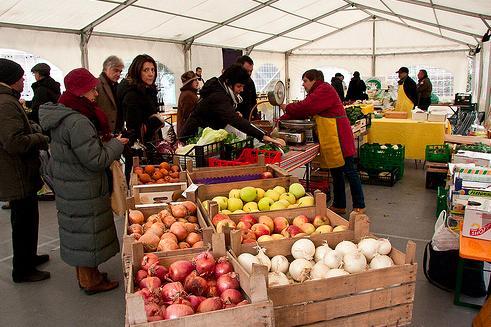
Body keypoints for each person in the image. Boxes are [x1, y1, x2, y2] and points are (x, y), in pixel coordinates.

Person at [39, 68, 127, 294]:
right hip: (84, 185)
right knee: (88, 232)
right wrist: (117, 145)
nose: (95, 94)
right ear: (80, 93)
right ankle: (91, 281)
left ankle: (89, 275)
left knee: (79, 231)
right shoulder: (77, 122)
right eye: (91, 90)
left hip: (71, 183)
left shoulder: (63, 114)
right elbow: (95, 160)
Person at [279, 69, 365, 215]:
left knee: (349, 170)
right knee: (336, 170)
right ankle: (339, 204)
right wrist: (282, 119)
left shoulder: (324, 89)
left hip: (339, 135)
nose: (303, 84)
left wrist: (288, 107)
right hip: (332, 136)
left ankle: (359, 205)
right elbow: (306, 108)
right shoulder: (317, 91)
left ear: (314, 80)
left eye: (305, 80)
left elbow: (307, 107)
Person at [0, 58, 50, 283]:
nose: (24, 80)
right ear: (10, 80)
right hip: (16, 172)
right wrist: (40, 137)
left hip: (20, 171)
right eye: (20, 77)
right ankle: (22, 269)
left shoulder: (8, 101)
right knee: (22, 221)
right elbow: (14, 142)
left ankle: (29, 257)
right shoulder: (5, 103)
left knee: (28, 218)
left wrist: (32, 128)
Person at [179, 64, 285, 147]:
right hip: (193, 139)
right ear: (228, 82)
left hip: (202, 138)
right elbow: (233, 119)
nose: (241, 90)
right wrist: (262, 135)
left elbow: (221, 113)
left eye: (242, 86)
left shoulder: (221, 89)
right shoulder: (218, 95)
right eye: (239, 86)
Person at [117, 54, 159, 181]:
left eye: (152, 70)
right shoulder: (132, 95)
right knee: (139, 181)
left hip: (146, 145)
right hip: (137, 149)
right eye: (146, 70)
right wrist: (154, 122)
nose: (151, 74)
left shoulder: (147, 90)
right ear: (137, 71)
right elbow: (133, 128)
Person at [96, 55, 124, 132]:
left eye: (120, 71)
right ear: (106, 68)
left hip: (118, 131)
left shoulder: (116, 86)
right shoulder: (97, 85)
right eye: (116, 70)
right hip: (104, 132)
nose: (118, 74)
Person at [235, 55, 259, 121]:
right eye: (246, 71)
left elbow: (253, 101)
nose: (249, 74)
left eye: (251, 71)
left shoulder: (250, 82)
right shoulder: (230, 81)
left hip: (247, 119)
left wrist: (255, 117)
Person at [177, 71, 199, 137]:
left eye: (197, 79)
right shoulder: (188, 95)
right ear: (189, 83)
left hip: (187, 131)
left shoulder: (189, 93)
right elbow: (188, 117)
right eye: (194, 80)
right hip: (187, 133)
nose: (197, 82)